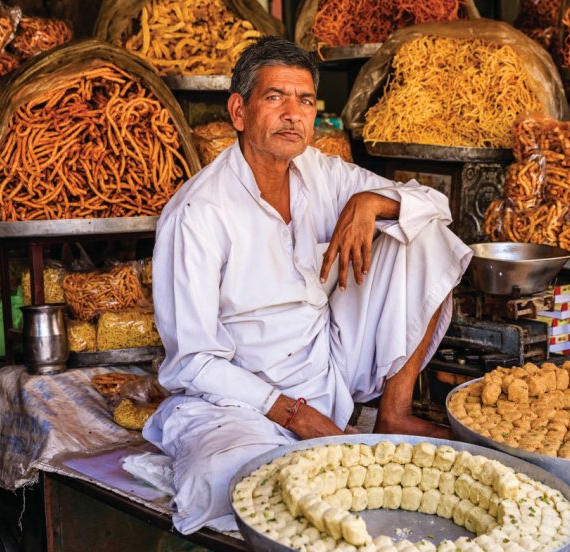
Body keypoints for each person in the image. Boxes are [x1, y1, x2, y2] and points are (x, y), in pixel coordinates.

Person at [145, 36, 472, 534]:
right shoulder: (198, 213)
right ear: (239, 110)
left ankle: (395, 413)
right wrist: (292, 413)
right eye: (275, 97)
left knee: (424, 234)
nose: (293, 114)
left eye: (305, 100)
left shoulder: (321, 172)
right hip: (241, 396)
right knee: (239, 483)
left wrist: (369, 204)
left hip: (330, 365)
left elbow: (435, 203)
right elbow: (193, 358)